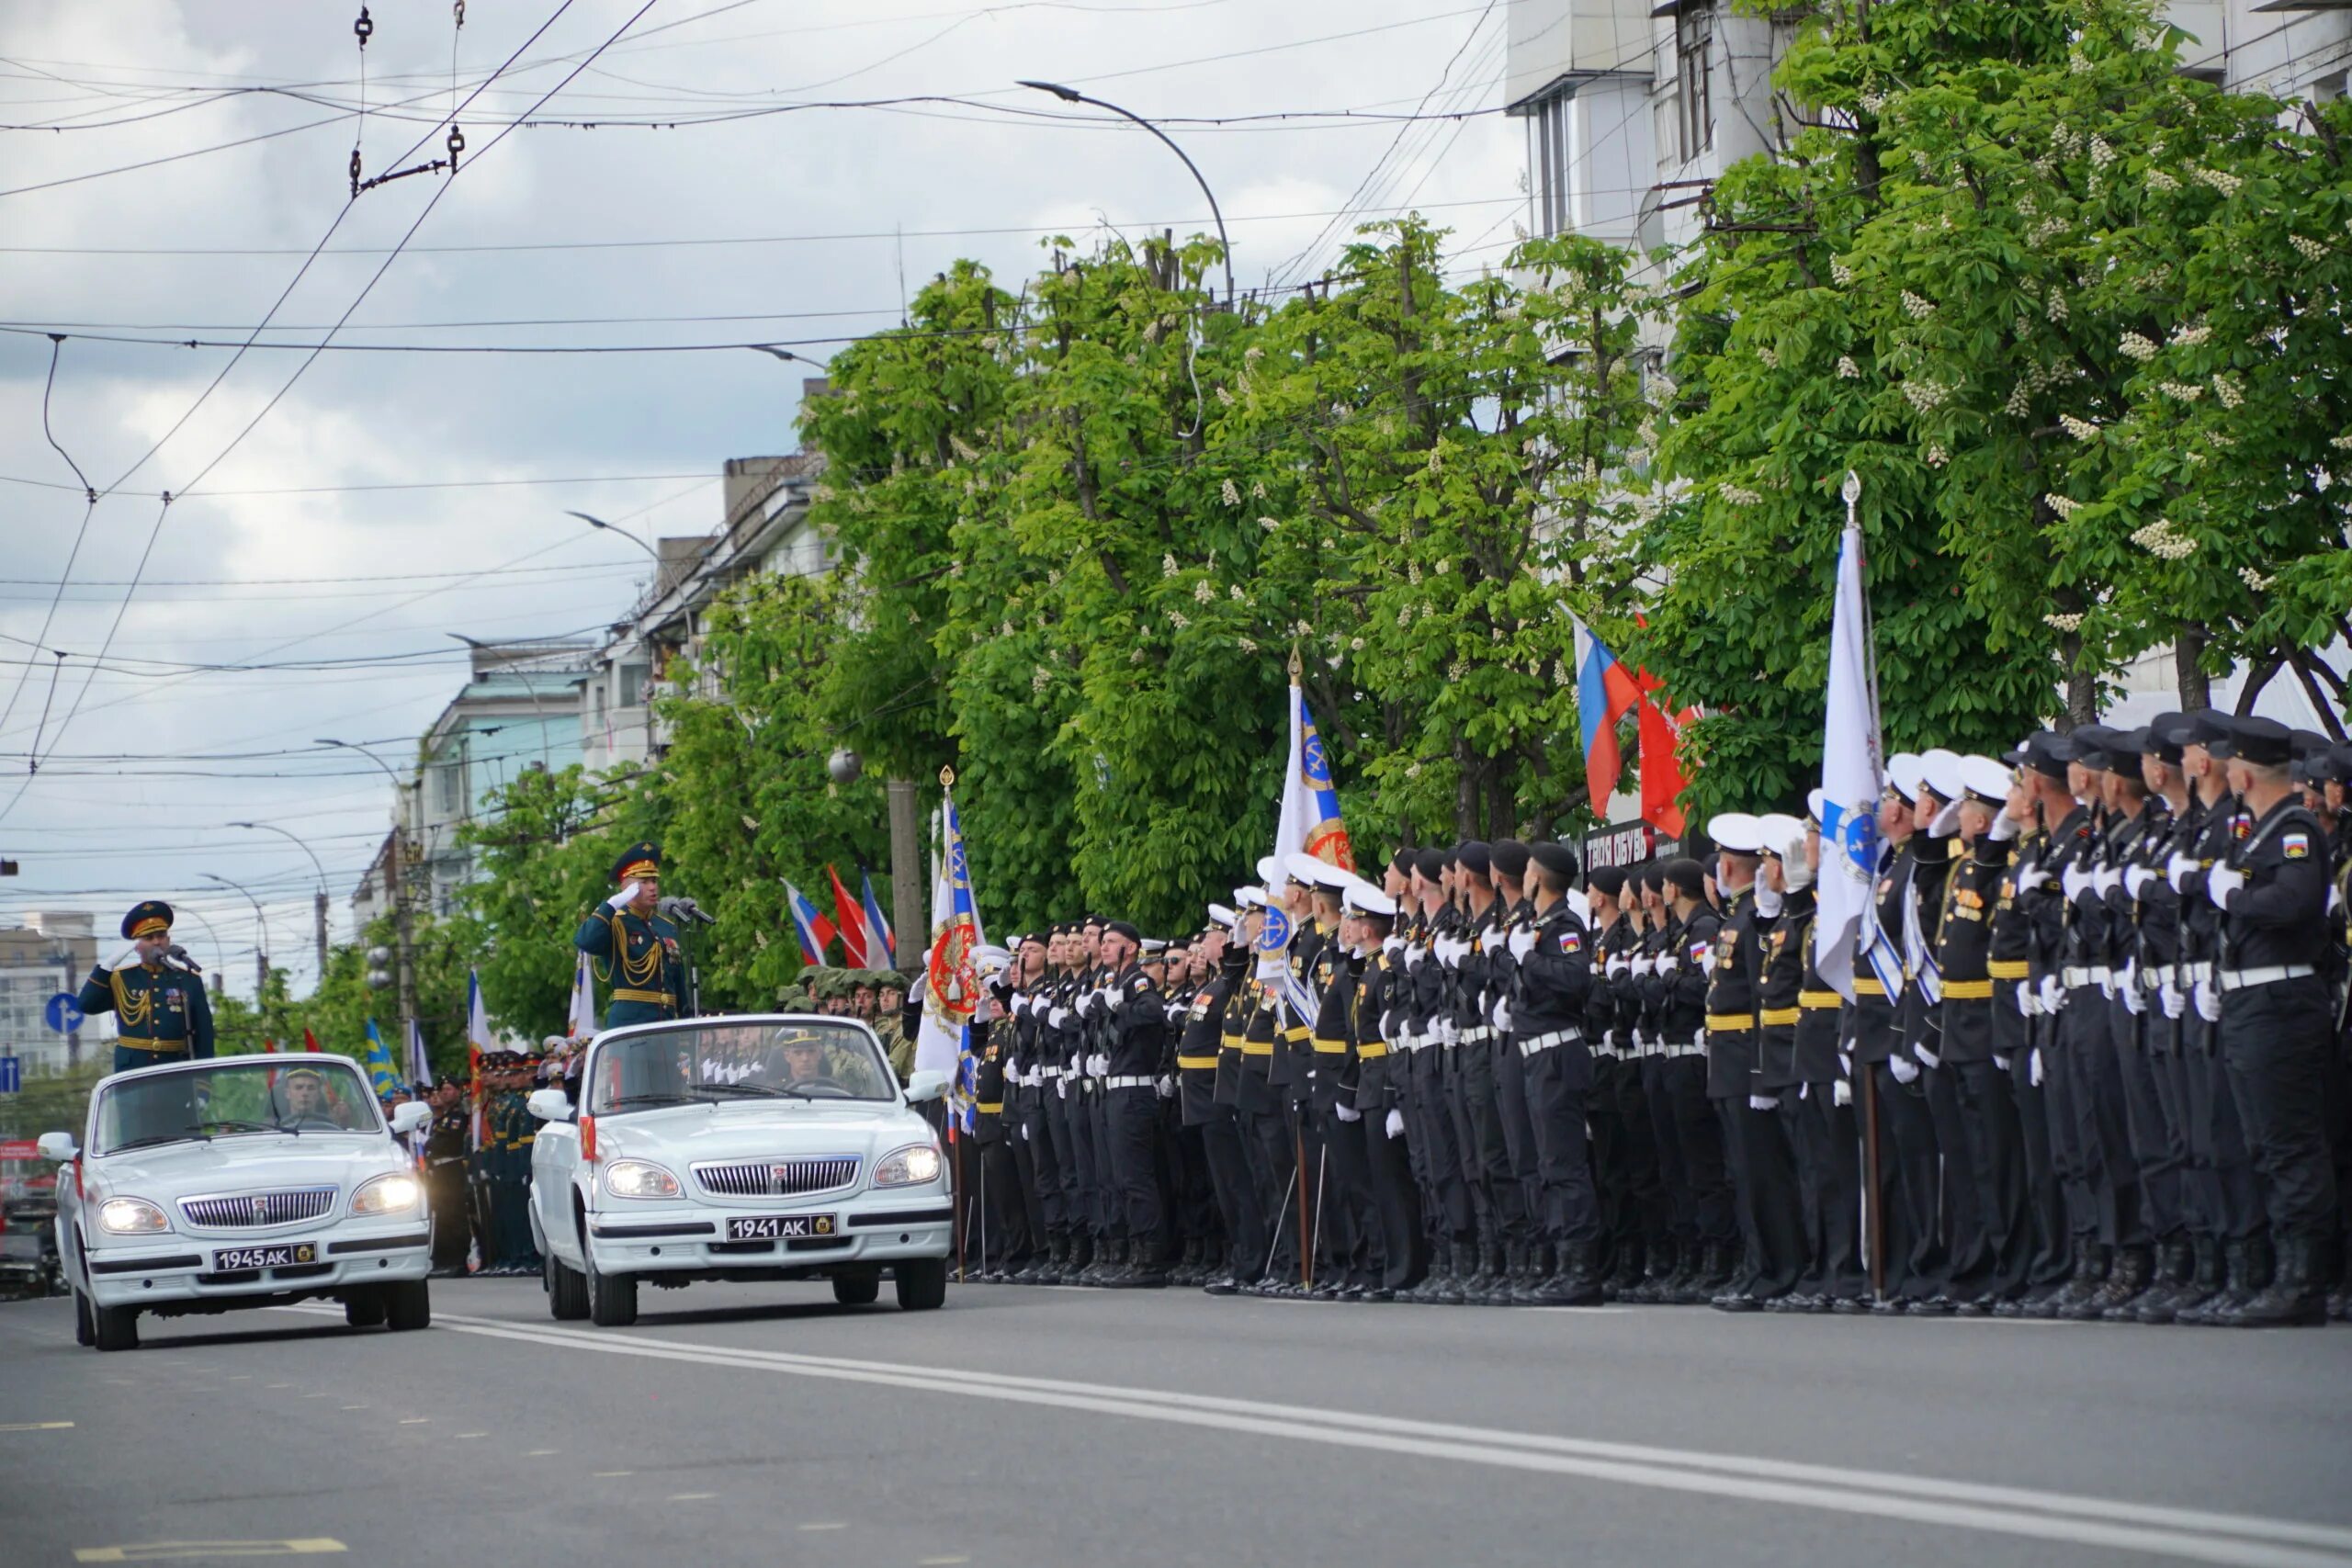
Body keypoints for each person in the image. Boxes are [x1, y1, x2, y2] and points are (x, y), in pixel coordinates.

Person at [2187, 715, 2338, 1325]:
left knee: (2292, 1144)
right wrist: (2230, 880)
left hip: (2281, 1000)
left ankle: (2305, 1280)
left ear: (2245, 771)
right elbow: (2255, 875)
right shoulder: (2260, 835)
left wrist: (2232, 896)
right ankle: (2284, 1271)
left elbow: (2292, 899)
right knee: (2265, 1143)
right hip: (2252, 1001)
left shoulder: (2296, 827)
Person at [78, 900, 215, 1072]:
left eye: (161, 935)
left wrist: (202, 1085)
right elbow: (86, 1005)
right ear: (136, 947)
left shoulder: (188, 980)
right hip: (133, 1077)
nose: (157, 942)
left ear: (169, 939)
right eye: (149, 938)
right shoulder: (122, 979)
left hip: (175, 1075)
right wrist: (106, 966)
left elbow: (204, 1036)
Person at [575, 842, 689, 1028]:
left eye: (654, 880)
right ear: (627, 888)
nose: (653, 887)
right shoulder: (615, 922)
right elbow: (585, 940)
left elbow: (678, 984)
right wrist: (611, 905)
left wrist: (686, 1023)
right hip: (631, 1025)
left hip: (666, 1026)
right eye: (644, 882)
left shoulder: (666, 927)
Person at [424, 1076, 471, 1278]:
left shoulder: (458, 1116)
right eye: (443, 1089)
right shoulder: (442, 1118)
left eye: (450, 1089)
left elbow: (444, 1142)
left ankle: (457, 1260)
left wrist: (428, 1143)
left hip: (452, 1168)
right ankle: (442, 1260)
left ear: (458, 1091)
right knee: (442, 1217)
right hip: (439, 1171)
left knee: (454, 1215)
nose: (445, 1093)